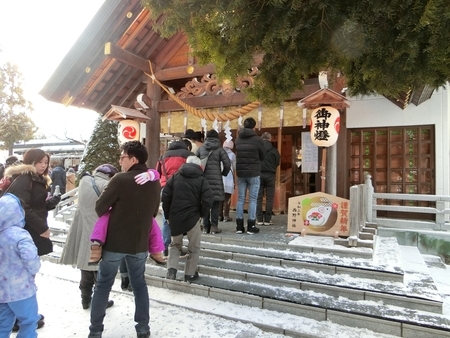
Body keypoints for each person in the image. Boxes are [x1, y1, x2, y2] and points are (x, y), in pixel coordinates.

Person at [88, 141, 160, 338]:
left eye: (122, 157)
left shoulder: (120, 179)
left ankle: (95, 331)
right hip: (139, 244)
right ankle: (143, 329)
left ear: (133, 159)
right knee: (139, 285)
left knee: (103, 285)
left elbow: (100, 207)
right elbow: (153, 212)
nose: (120, 161)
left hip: (115, 244)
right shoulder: (154, 182)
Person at [59, 164, 119, 310]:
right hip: (100, 231)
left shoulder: (85, 181)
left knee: (86, 268)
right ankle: (101, 302)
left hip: (82, 229)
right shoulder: (107, 185)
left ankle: (85, 300)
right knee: (99, 269)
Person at [162, 156, 212, 282]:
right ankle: (189, 274)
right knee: (194, 247)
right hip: (192, 217)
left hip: (175, 217)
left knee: (175, 245)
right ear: (199, 166)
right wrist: (202, 214)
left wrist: (167, 215)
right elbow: (207, 200)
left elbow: (165, 197)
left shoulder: (174, 177)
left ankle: (171, 271)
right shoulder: (201, 179)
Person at [0, 193, 41, 338]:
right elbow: (31, 260)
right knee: (29, 322)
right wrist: (34, 269)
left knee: (2, 325)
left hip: (2, 292)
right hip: (22, 291)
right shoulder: (21, 235)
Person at [156, 140, 193, 255]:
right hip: (183, 189)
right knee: (181, 218)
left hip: (165, 187)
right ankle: (177, 247)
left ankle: (166, 248)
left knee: (166, 219)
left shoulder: (163, 156)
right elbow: (195, 171)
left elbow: (157, 173)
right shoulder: (189, 156)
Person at [196, 129, 231, 234]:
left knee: (205, 204)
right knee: (215, 204)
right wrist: (223, 173)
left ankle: (206, 226)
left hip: (203, 181)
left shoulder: (201, 149)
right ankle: (214, 227)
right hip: (216, 180)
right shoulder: (220, 150)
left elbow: (194, 163)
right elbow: (227, 164)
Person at [235, 117, 265, 234]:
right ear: (254, 127)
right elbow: (263, 156)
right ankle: (251, 226)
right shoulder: (258, 140)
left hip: (241, 172)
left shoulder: (238, 139)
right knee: (253, 200)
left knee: (241, 199)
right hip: (254, 172)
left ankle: (239, 226)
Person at [256, 132, 281, 225]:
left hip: (259, 174)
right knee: (270, 198)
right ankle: (267, 219)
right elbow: (278, 162)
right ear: (270, 139)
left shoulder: (257, 150)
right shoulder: (274, 150)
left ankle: (259, 219)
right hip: (270, 175)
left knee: (258, 197)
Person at [219, 140, 236, 222]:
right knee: (227, 198)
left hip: (220, 177)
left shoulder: (219, 153)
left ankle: (219, 216)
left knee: (220, 198)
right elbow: (234, 167)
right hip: (229, 178)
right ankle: (226, 215)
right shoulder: (232, 155)